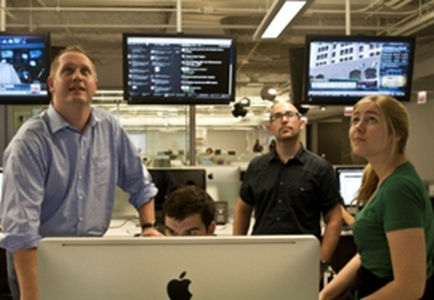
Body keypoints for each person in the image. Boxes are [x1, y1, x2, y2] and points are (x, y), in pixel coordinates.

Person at [0, 46, 162, 300]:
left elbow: (140, 184)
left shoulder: (109, 128)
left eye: (84, 71)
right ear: (52, 84)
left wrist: (148, 226)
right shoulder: (30, 142)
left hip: (90, 255)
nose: (77, 76)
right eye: (68, 71)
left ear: (95, 85)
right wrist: (31, 296)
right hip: (39, 259)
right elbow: (21, 230)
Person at [320, 95, 434, 299]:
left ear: (396, 134)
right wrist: (325, 295)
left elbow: (409, 287)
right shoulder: (379, 179)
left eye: (371, 119)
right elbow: (367, 253)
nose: (359, 127)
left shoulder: (399, 189)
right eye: (355, 120)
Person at [233, 100, 342, 276]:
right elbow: (243, 209)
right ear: (271, 128)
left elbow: (334, 219)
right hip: (261, 256)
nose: (284, 120)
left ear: (301, 123)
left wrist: (321, 262)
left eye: (290, 115)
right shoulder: (256, 166)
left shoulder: (320, 168)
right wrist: (238, 250)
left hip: (303, 259)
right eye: (277, 117)